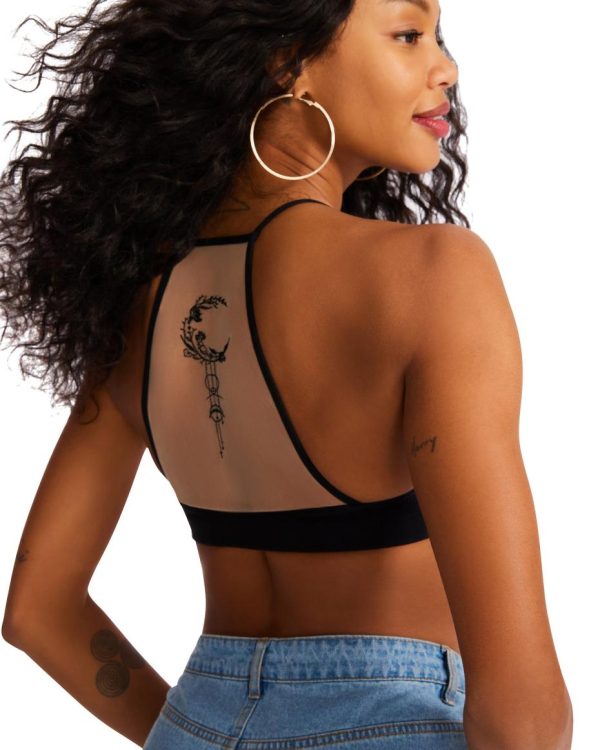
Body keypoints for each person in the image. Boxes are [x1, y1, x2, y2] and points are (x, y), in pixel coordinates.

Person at [0, 0, 573, 748]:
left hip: (198, 720)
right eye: (408, 35)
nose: (446, 68)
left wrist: (195, 734)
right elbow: (523, 716)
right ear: (288, 64)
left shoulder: (140, 305)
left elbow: (38, 610)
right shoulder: (435, 277)